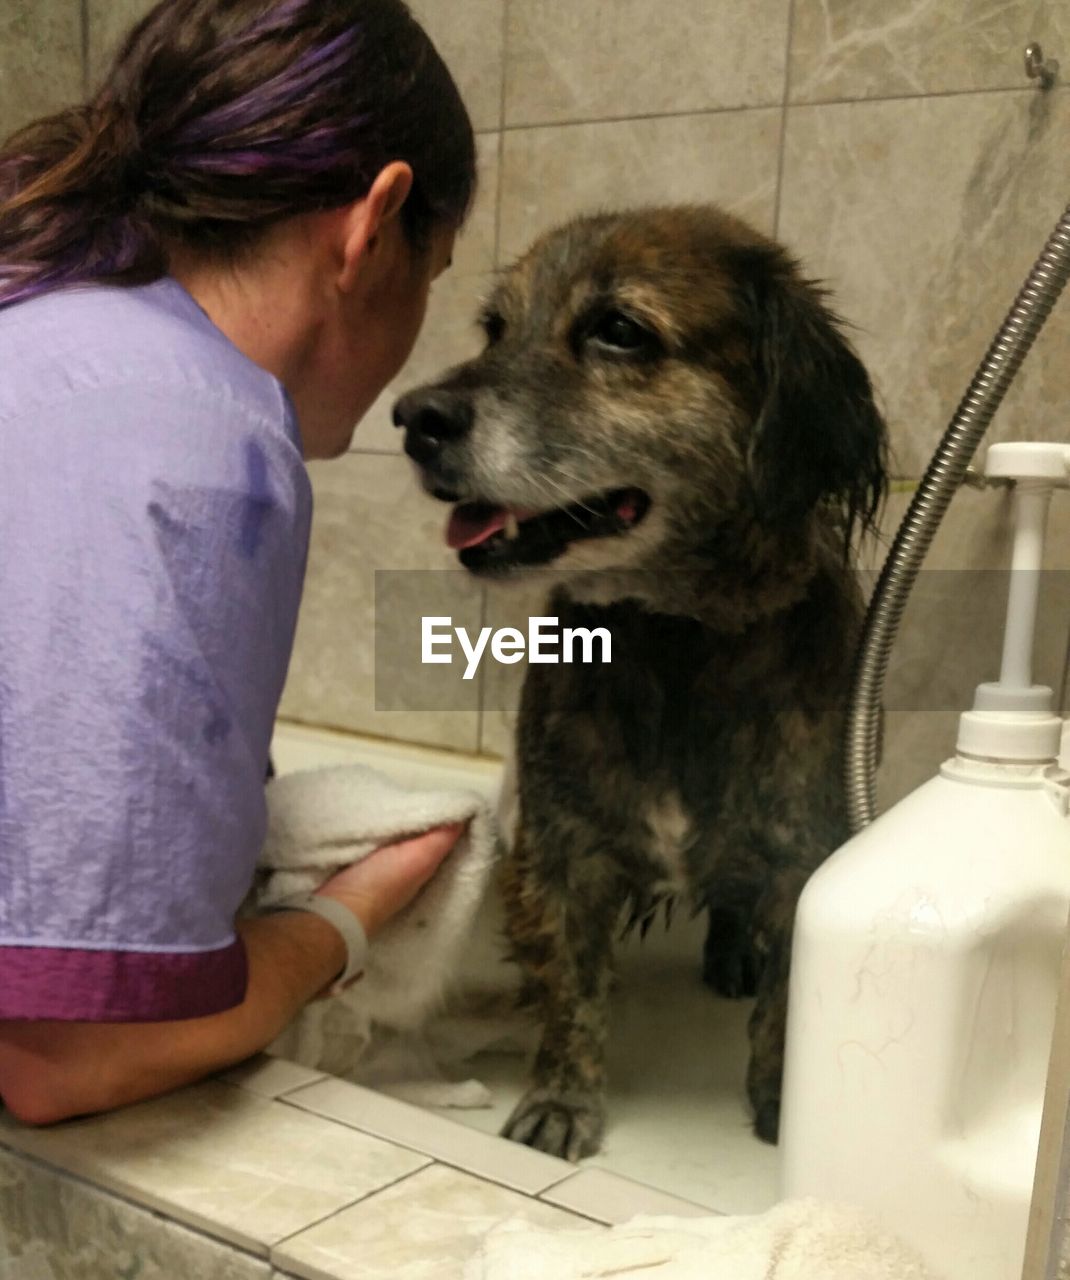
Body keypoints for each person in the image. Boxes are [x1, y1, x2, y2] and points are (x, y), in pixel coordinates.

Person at [0, 0, 477, 1125]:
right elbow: (66, 1060)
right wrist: (351, 913)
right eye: (437, 273)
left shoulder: (50, 325)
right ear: (374, 227)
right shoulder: (194, 434)